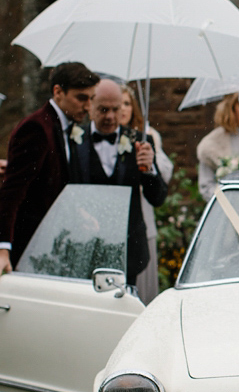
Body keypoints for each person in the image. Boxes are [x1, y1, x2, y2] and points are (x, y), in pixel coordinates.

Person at [0, 61, 99, 392]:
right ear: (58, 93)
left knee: (41, 333)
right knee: (42, 336)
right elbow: (12, 194)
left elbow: (48, 185)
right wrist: (2, 249)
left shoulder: (63, 128)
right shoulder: (37, 128)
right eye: (81, 98)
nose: (87, 106)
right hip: (32, 247)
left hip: (52, 243)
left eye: (89, 98)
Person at [70, 79, 169, 285]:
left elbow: (158, 198)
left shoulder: (140, 141)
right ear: (91, 106)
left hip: (128, 249)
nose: (110, 117)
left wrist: (150, 169)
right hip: (86, 245)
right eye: (103, 110)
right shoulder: (74, 140)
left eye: (116, 109)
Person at [119, 84, 174, 303]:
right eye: (118, 104)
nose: (122, 109)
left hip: (142, 211)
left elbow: (165, 173)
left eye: (126, 104)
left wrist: (150, 159)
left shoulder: (148, 136)